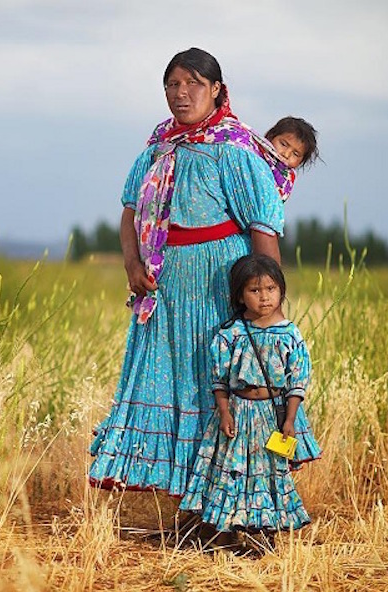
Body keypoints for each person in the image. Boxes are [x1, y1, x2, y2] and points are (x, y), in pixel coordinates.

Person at [88, 47, 290, 498]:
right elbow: (129, 213)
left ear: (217, 91)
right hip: (164, 290)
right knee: (173, 382)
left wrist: (266, 305)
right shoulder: (157, 148)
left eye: (194, 84)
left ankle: (235, 503)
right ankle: (187, 502)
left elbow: (263, 227)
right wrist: (132, 265)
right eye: (173, 85)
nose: (182, 93)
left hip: (220, 287)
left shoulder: (235, 152)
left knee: (219, 383)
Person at [179, 254, 322, 552]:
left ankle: (262, 534)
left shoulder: (290, 334)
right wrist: (224, 411)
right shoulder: (230, 334)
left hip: (272, 415)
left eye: (270, 288)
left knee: (268, 473)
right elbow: (218, 380)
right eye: (254, 291)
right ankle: (225, 532)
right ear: (240, 296)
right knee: (231, 471)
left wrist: (290, 421)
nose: (264, 297)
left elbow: (297, 381)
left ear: (281, 290)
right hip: (239, 413)